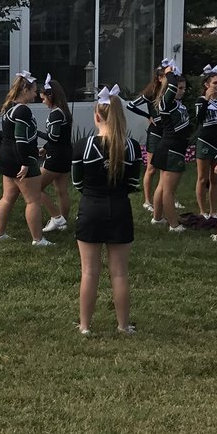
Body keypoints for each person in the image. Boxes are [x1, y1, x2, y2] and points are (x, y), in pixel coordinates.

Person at [72, 86, 142, 335]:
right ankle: (123, 325)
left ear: (97, 116)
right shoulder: (132, 147)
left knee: (89, 272)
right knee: (120, 273)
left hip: (90, 208)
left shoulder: (83, 146)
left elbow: (77, 183)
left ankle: (84, 326)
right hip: (120, 209)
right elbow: (134, 184)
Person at [0, 71, 52, 246]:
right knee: (33, 200)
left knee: (7, 197)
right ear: (25, 89)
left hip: (7, 155)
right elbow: (20, 139)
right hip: (21, 157)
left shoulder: (9, 106)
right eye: (33, 90)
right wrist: (25, 162)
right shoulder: (23, 110)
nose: (35, 94)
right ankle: (38, 239)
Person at [150, 63, 189, 233]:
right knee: (169, 190)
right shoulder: (167, 102)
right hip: (171, 148)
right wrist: (169, 73)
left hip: (170, 147)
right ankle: (174, 225)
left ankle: (157, 218)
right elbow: (171, 85)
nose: (181, 90)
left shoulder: (176, 103)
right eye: (179, 88)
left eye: (183, 88)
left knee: (162, 185)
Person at [126, 65, 163, 212]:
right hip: (155, 132)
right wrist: (148, 115)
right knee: (151, 168)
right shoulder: (152, 92)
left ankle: (168, 196)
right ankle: (147, 200)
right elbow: (131, 105)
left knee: (167, 168)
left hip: (168, 132)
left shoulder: (171, 93)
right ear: (159, 78)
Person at [38, 73, 72, 233]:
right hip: (65, 154)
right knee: (61, 190)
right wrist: (46, 146)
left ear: (51, 96)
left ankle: (56, 217)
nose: (42, 101)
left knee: (35, 188)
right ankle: (63, 222)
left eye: (43, 98)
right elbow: (59, 137)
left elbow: (54, 136)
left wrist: (36, 132)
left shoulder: (56, 114)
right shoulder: (63, 111)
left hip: (57, 157)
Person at [194, 64, 217, 219]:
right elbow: (199, 119)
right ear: (207, 84)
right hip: (204, 141)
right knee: (202, 178)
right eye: (215, 83)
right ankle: (203, 211)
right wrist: (206, 99)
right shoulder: (200, 100)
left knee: (215, 179)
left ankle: (214, 211)